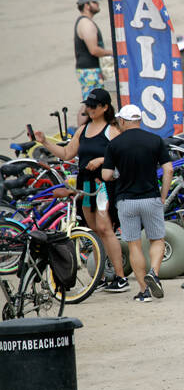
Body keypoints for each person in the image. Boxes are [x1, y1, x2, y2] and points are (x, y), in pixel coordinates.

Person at [35, 88, 128, 293]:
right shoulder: (83, 130)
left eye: (93, 106)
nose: (89, 109)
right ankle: (102, 276)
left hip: (103, 184)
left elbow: (123, 154)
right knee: (93, 231)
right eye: (88, 105)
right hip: (84, 184)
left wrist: (102, 160)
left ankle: (121, 277)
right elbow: (67, 153)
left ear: (105, 107)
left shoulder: (111, 130)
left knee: (105, 229)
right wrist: (45, 142)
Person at [101, 104, 173, 303]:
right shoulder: (155, 140)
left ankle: (144, 292)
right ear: (139, 120)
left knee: (134, 245)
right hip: (151, 198)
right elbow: (168, 170)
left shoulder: (114, 144)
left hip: (126, 201)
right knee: (157, 240)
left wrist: (116, 172)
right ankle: (154, 274)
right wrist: (163, 196)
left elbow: (106, 175)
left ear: (123, 121)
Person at [74, 0, 113, 127]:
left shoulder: (85, 22)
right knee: (89, 102)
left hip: (89, 68)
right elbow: (94, 50)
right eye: (95, 2)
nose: (98, 5)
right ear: (86, 5)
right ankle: (80, 134)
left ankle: (82, 132)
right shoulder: (86, 24)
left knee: (90, 101)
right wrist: (113, 53)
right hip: (89, 69)